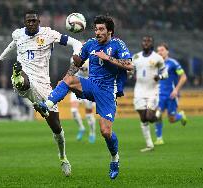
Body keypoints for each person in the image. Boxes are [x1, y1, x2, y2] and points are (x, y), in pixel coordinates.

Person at [0, 10, 82, 177]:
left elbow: (76, 42)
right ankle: (18, 77)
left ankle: (63, 158)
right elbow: (13, 44)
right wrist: (0, 59)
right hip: (26, 76)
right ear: (25, 22)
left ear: (39, 22)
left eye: (34, 21)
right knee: (22, 81)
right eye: (28, 21)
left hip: (44, 84)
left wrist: (76, 54)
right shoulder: (18, 34)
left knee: (57, 129)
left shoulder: (49, 34)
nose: (31, 23)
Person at [38, 15, 133, 179]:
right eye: (96, 29)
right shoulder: (90, 44)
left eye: (101, 29)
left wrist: (108, 58)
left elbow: (130, 65)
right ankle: (46, 104)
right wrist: (67, 76)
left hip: (107, 92)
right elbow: (77, 63)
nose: (97, 32)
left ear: (110, 31)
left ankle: (114, 158)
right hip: (90, 85)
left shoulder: (118, 44)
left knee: (105, 132)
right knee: (68, 80)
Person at [132, 36, 168, 152]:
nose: (146, 43)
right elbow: (130, 70)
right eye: (144, 41)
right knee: (143, 118)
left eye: (148, 41)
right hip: (139, 91)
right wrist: (130, 74)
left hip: (152, 91)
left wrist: (160, 76)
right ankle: (149, 145)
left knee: (149, 117)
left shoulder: (157, 58)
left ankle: (157, 114)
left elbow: (165, 73)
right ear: (141, 43)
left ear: (152, 44)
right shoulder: (136, 57)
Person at [154, 43, 187, 145]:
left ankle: (180, 116)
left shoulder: (173, 63)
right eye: (158, 50)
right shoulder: (155, 64)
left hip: (171, 95)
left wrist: (176, 90)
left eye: (162, 50)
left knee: (171, 119)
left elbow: (183, 77)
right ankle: (159, 138)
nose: (160, 52)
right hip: (159, 95)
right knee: (157, 115)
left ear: (167, 51)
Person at [70, 60, 96, 143]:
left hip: (87, 87)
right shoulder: (74, 58)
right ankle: (81, 128)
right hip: (76, 86)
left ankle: (92, 132)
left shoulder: (92, 58)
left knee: (88, 114)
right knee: (73, 111)